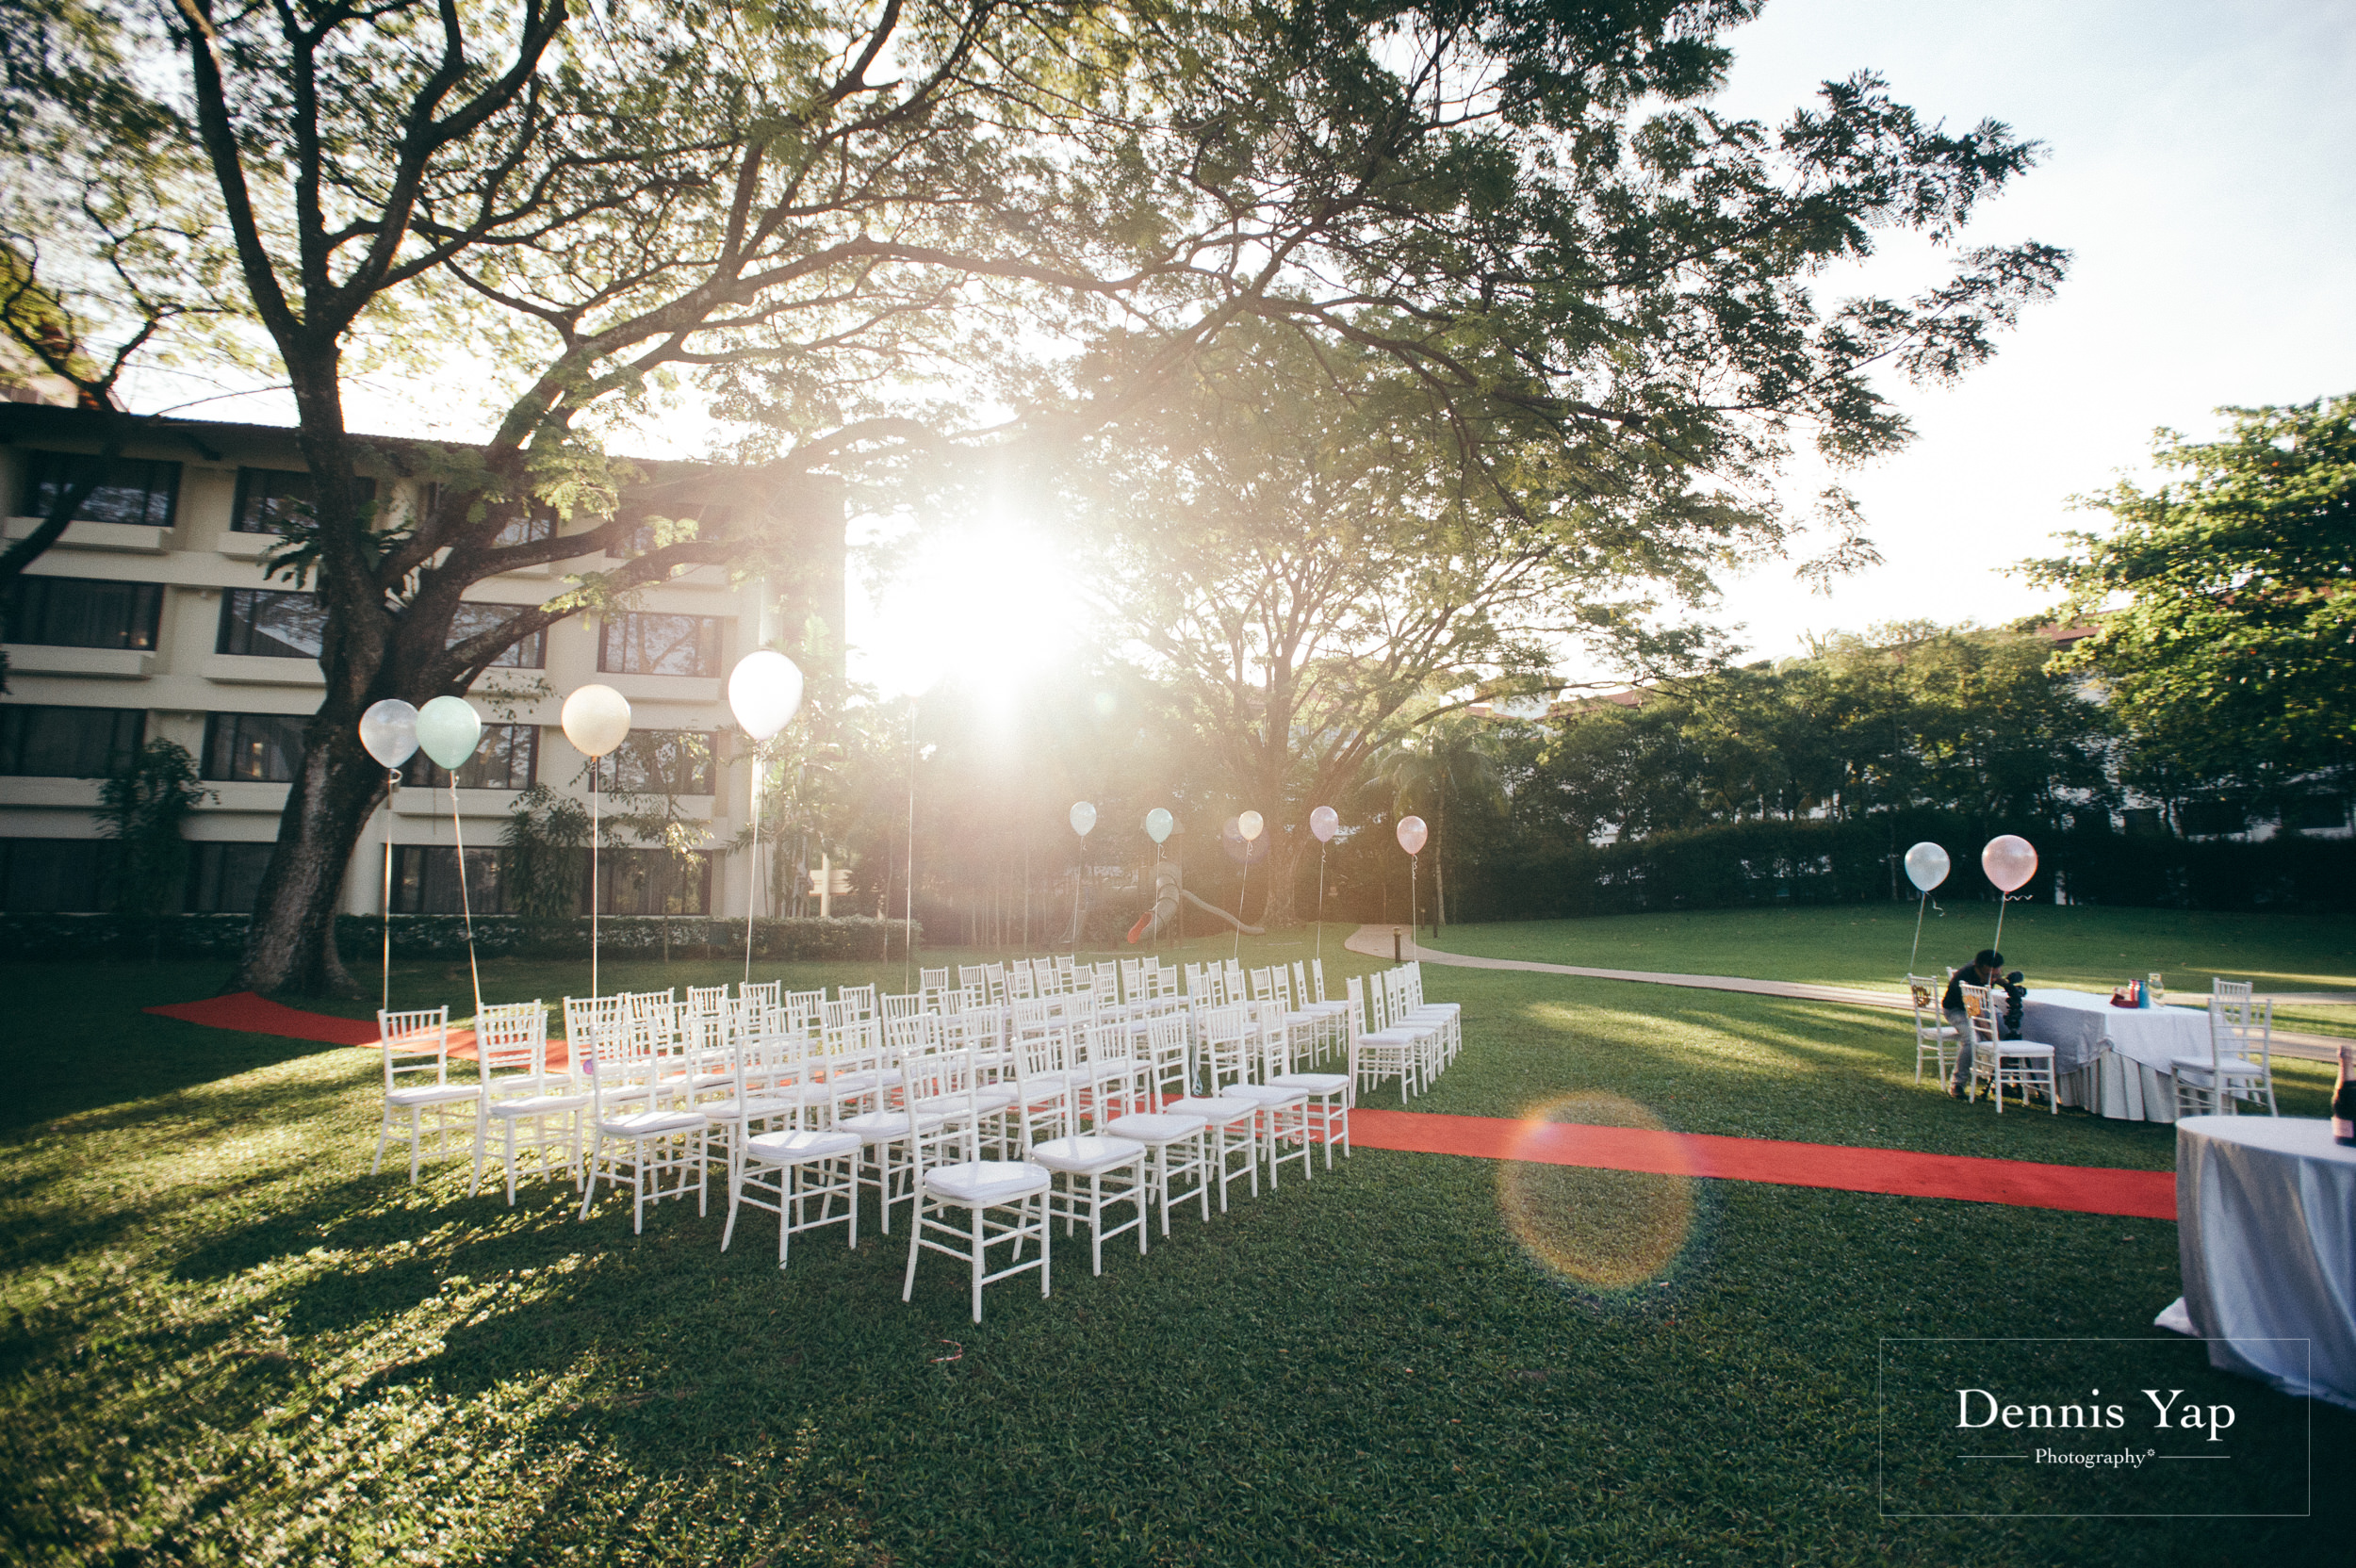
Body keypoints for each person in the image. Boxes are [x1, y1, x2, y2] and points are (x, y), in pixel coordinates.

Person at [1942, 950, 2025, 1099]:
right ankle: (1958, 1084)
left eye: (1996, 975)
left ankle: (2001, 1083)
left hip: (1981, 1006)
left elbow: (1995, 978)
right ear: (1976, 967)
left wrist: (2007, 985)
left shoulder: (1988, 974)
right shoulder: (1966, 980)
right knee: (1971, 1039)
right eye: (1987, 976)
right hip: (1957, 1010)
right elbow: (1978, 1016)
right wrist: (1995, 1041)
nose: (1991, 980)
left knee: (2008, 1032)